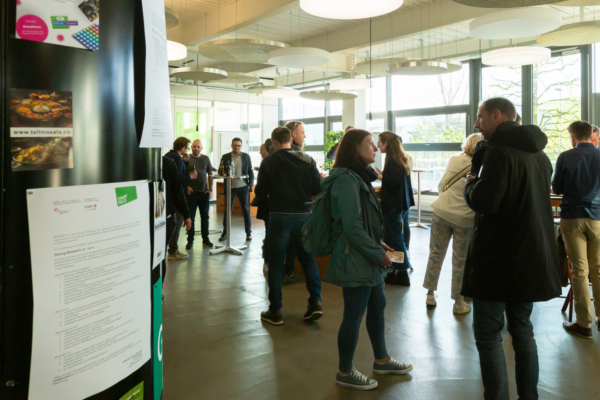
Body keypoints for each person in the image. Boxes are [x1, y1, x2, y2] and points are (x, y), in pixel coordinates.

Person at [463, 98, 561, 400]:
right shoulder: (540, 156)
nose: (477, 125)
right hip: (530, 259)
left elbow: (485, 202)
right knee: (522, 330)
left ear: (497, 115)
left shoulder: (498, 153)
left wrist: (470, 182)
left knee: (489, 335)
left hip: (497, 260)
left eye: (480, 117)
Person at [322, 129, 412, 391]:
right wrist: (379, 254)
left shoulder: (358, 177)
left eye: (375, 144)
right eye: (370, 144)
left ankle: (381, 359)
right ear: (354, 150)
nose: (375, 149)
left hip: (366, 256)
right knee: (354, 314)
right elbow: (352, 228)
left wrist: (379, 244)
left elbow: (363, 224)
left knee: (377, 305)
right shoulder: (347, 181)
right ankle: (345, 371)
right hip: (356, 258)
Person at [256, 127, 323, 325]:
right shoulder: (308, 159)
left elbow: (260, 192)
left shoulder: (269, 161)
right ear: (289, 139)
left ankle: (275, 311)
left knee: (276, 263)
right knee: (308, 260)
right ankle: (315, 303)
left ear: (274, 141)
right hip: (304, 215)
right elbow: (317, 188)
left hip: (279, 217)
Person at [423, 133, 483, 314]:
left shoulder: (455, 159)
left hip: (441, 212)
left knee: (435, 253)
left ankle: (430, 295)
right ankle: (458, 303)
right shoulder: (482, 166)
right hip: (465, 218)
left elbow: (442, 184)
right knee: (460, 261)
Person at [552, 120, 600, 338]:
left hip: (572, 216)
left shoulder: (566, 156)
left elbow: (557, 187)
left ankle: (584, 323)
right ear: (592, 135)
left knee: (580, 271)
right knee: (598, 269)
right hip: (598, 217)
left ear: (572, 137)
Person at [375, 131, 414, 286]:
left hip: (392, 205)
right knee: (397, 238)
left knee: (395, 239)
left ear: (386, 143)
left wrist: (380, 177)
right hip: (402, 203)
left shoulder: (391, 160)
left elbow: (392, 182)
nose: (378, 145)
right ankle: (397, 270)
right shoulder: (401, 158)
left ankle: (402, 272)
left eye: (379, 142)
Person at [164, 137, 197, 260]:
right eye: (188, 148)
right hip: (176, 197)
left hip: (169, 196)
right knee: (176, 224)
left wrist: (185, 162)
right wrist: (191, 176)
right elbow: (178, 179)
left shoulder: (169, 155)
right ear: (182, 148)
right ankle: (173, 251)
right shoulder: (176, 158)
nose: (188, 150)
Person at [162, 156, 192, 282]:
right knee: (159, 256)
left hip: (163, 213)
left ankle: (156, 293)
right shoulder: (169, 163)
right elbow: (178, 191)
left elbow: (177, 190)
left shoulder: (168, 162)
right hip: (164, 214)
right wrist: (186, 215)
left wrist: (186, 214)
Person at [219, 138, 254, 242]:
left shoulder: (246, 156)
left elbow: (250, 172)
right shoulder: (225, 157)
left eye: (238, 145)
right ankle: (225, 232)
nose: (236, 147)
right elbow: (221, 170)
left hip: (243, 186)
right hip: (230, 187)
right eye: (235, 145)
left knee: (246, 209)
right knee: (227, 210)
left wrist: (250, 185)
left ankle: (248, 233)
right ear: (231, 146)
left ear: (241, 146)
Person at [185, 139, 214, 249]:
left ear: (202, 148)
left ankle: (205, 239)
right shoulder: (187, 158)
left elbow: (210, 173)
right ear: (191, 147)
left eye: (198, 147)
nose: (196, 148)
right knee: (190, 218)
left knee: (205, 217)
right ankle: (190, 240)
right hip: (191, 193)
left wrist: (210, 188)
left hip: (203, 193)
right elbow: (182, 174)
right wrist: (186, 186)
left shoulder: (206, 158)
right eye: (194, 146)